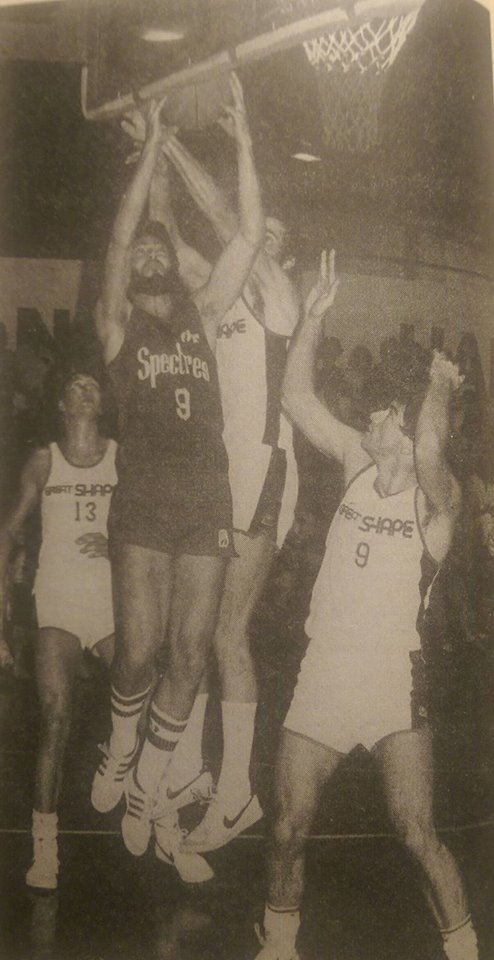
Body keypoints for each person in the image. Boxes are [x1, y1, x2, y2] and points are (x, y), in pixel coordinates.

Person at [254, 251, 478, 960]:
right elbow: (296, 399)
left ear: (406, 428)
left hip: (390, 678)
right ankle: (279, 942)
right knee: (288, 824)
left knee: (416, 831)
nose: (371, 416)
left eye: (385, 412)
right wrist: (313, 320)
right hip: (325, 671)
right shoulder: (357, 461)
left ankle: (466, 948)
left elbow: (433, 443)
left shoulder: (438, 500)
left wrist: (438, 382)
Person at [91, 73, 265, 864]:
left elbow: (248, 237)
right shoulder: (117, 326)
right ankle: (120, 749)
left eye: (162, 246)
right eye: (145, 250)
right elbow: (120, 240)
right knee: (138, 651)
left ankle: (148, 781)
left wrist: (246, 145)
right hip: (144, 499)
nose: (153, 250)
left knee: (191, 654)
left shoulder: (205, 312)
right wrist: (152, 148)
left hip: (204, 498)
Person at [132, 133, 300, 855]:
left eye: (271, 238)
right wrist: (154, 153)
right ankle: (192, 773)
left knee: (227, 632)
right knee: (191, 629)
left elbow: (235, 223)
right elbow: (170, 235)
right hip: (210, 472)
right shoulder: (219, 290)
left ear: (281, 258)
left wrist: (178, 145)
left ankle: (237, 792)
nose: (259, 241)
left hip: (260, 469)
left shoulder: (280, 303)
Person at [0, 371, 117, 890]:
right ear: (62, 405)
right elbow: (8, 531)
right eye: (75, 385)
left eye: (93, 384)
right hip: (59, 599)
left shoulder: (122, 456)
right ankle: (44, 848)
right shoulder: (45, 459)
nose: (85, 390)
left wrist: (116, 542)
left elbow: (150, 523)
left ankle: (165, 825)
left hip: (113, 599)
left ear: (103, 403)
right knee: (54, 716)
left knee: (148, 696)